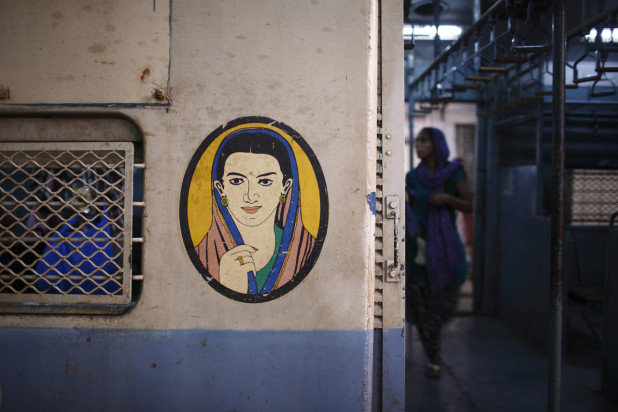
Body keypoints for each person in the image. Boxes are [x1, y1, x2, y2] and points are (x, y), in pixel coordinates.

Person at [194, 130, 316, 295]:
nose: (250, 196)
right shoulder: (201, 254)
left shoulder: (305, 250)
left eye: (265, 181)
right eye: (237, 181)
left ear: (285, 188)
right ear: (220, 189)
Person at [405, 127, 472, 379]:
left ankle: (434, 345)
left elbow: (468, 205)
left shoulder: (454, 174)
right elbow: (410, 211)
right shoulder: (413, 177)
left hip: (445, 249)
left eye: (423, 141)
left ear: (436, 144)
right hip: (419, 249)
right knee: (421, 306)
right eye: (417, 141)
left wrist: (446, 199)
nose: (418, 145)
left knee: (442, 304)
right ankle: (433, 356)